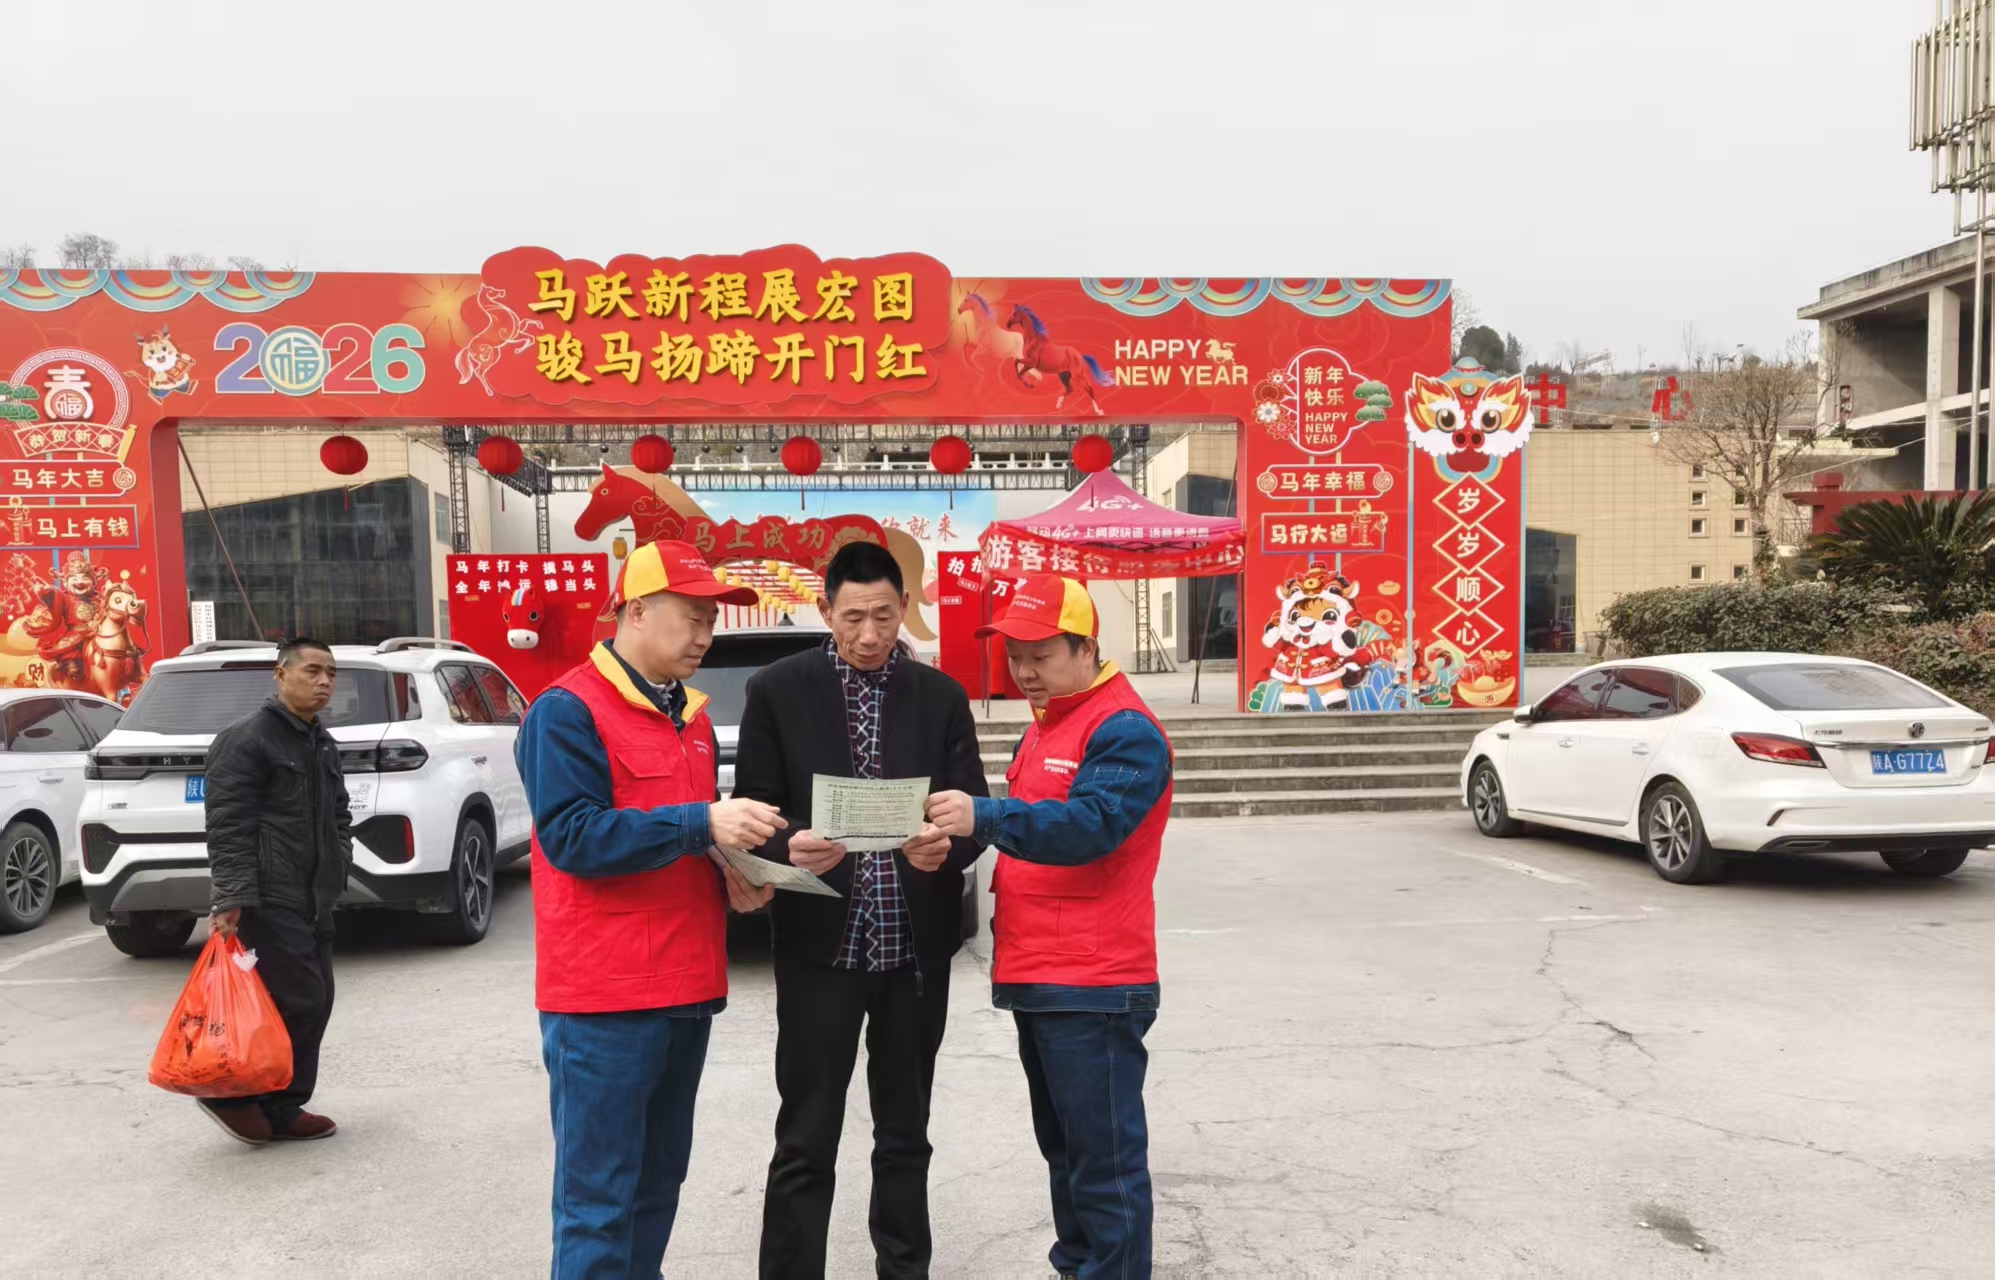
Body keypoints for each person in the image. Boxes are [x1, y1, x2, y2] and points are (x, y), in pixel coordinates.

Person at [516, 539, 787, 1279]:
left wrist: (734, 874)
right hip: (604, 1000)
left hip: (686, 987)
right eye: (692, 617)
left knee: (657, 1186)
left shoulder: (688, 719)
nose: (705, 636)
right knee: (598, 1200)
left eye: (711, 621)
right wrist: (703, 824)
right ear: (636, 611)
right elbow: (572, 837)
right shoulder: (566, 711)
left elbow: (680, 839)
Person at [732, 539, 990, 1280]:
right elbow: (754, 804)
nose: (870, 635)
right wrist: (789, 842)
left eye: (883, 616)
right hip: (821, 949)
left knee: (905, 1134)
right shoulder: (777, 690)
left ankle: (904, 1270)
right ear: (825, 610)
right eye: (853, 618)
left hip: (913, 953)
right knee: (805, 1136)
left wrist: (947, 847)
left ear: (905, 606)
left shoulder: (940, 696)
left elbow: (971, 812)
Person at [926, 574, 1173, 1280]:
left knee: (1103, 1164)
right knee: (1065, 1153)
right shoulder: (1050, 723)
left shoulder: (1122, 729)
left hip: (1093, 981)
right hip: (1042, 972)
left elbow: (1092, 826)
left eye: (1040, 655)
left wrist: (985, 816)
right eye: (1014, 657)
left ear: (1086, 647)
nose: (1024, 671)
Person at [202, 637, 352, 1146]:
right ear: (281, 674)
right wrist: (231, 897)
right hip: (270, 895)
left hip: (315, 896)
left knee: (317, 999)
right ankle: (234, 1095)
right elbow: (228, 825)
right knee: (300, 998)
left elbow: (339, 813)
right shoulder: (248, 739)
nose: (324, 681)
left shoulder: (320, 740)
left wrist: (340, 860)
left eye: (331, 673)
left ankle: (281, 1104)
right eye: (312, 670)